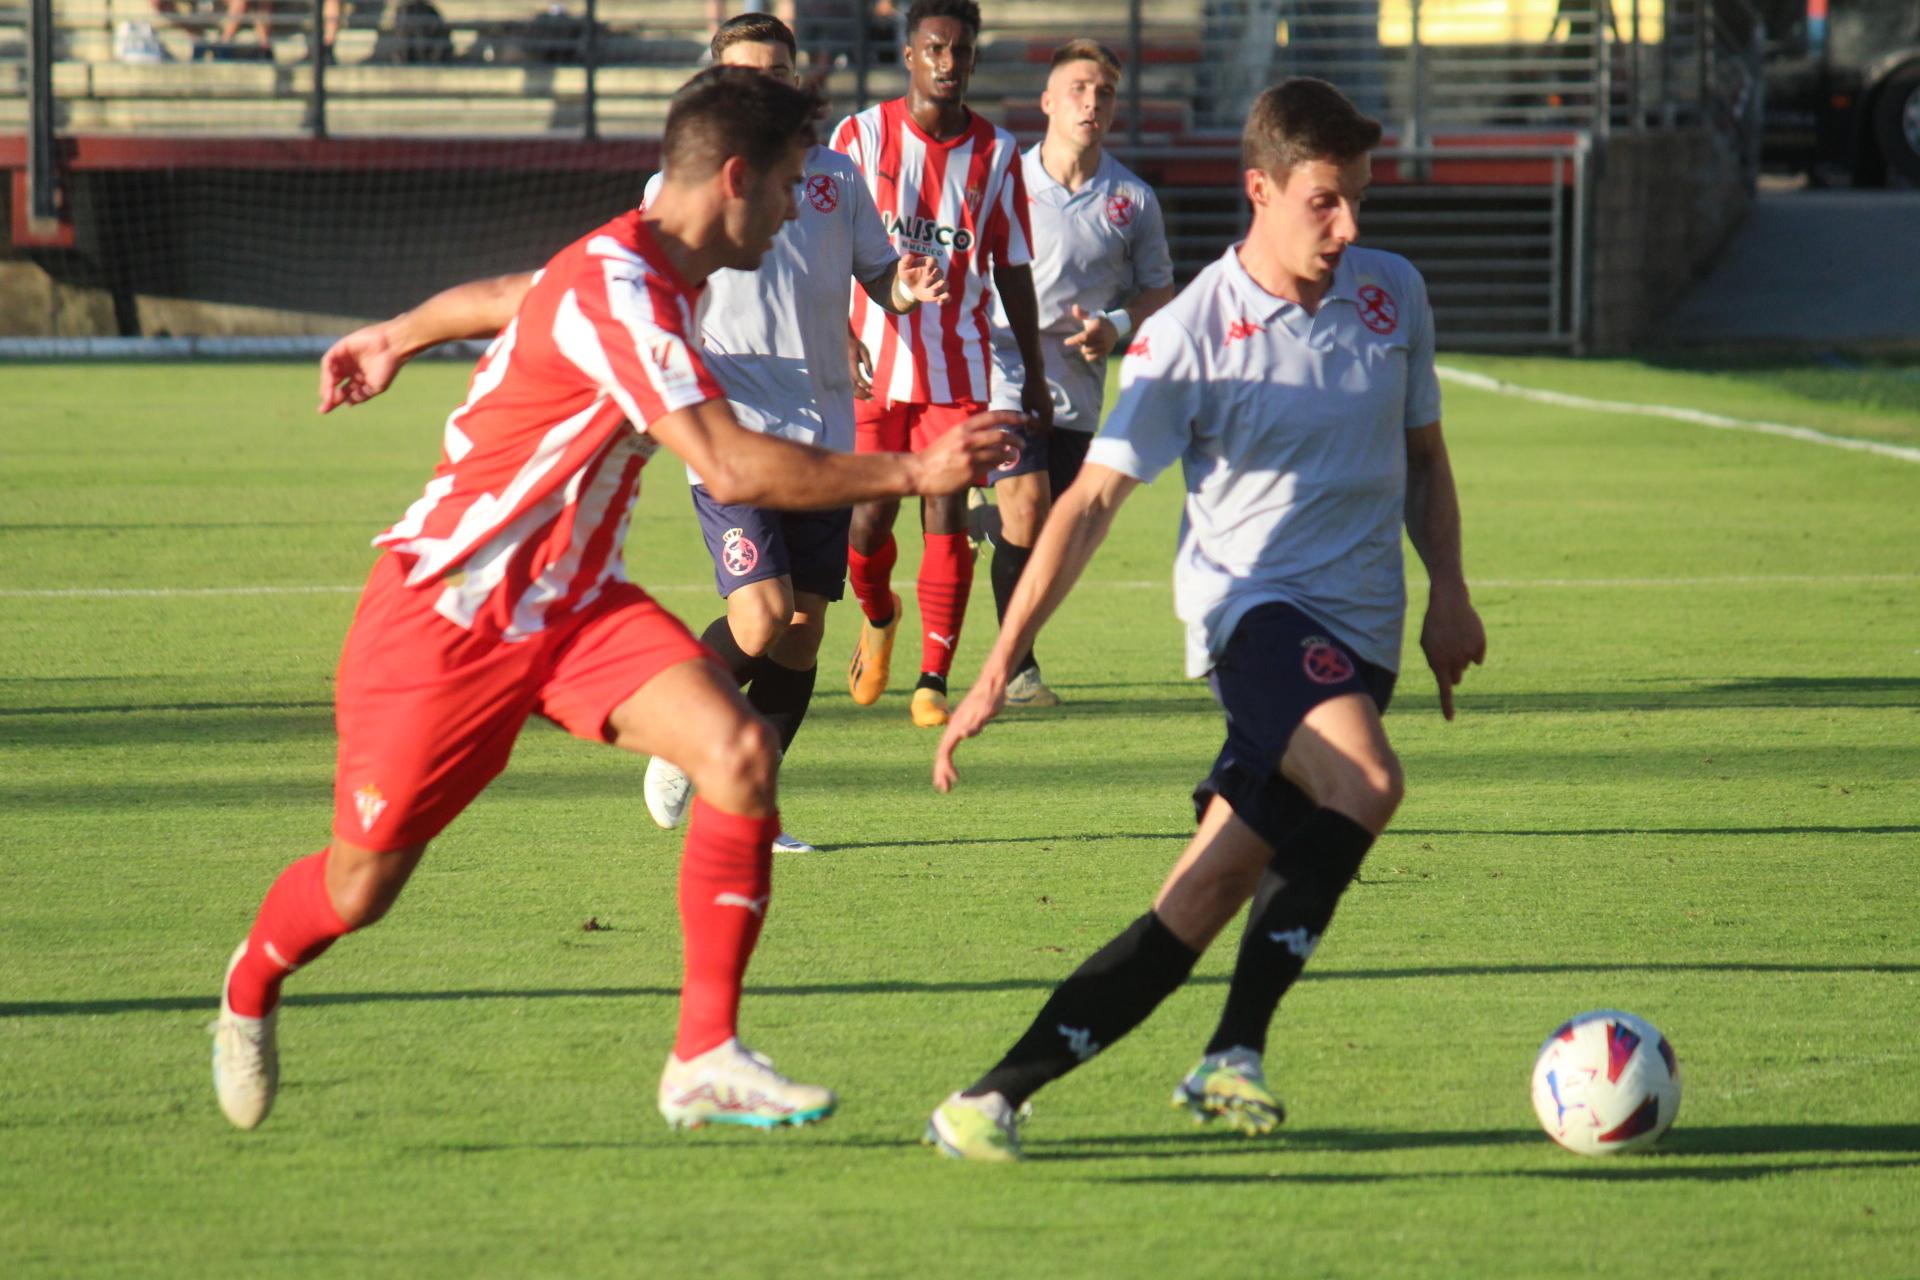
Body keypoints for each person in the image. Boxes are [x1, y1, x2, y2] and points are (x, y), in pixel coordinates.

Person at [211, 65, 1017, 1136]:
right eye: (784, 186)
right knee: (359, 889)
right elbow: (728, 465)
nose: (793, 209)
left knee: (736, 753)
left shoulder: (642, 257)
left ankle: (702, 1053)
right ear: (734, 179)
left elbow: (512, 294)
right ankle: (251, 981)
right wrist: (915, 475)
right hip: (443, 619)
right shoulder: (624, 288)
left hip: (575, 609)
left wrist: (397, 331)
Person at [921, 78, 1487, 1161]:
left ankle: (991, 1095)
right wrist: (997, 667)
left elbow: (1425, 461)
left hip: (1362, 641)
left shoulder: (1392, 294)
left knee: (1205, 890)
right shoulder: (1187, 333)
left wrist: (1450, 590)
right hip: (1256, 618)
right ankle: (1235, 1049)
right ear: (1260, 191)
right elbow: (1088, 503)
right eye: (1325, 201)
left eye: (1360, 200)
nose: (1350, 226)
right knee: (1370, 780)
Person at [318, 16, 951, 857]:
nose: (770, 94)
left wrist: (899, 293)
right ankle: (686, 746)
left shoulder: (830, 177)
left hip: (820, 432)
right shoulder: (671, 204)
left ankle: (750, 814)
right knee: (758, 619)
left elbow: (874, 276)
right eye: (750, 77)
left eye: (781, 76)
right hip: (719, 426)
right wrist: (400, 333)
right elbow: (549, 289)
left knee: (802, 633)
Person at [832, 0, 1051, 729]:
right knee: (865, 525)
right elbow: (827, 244)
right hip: (872, 367)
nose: (948, 63)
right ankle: (881, 613)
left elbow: (1012, 265)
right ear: (910, 54)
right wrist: (840, 328)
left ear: (974, 57)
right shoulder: (858, 137)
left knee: (947, 514)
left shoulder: (997, 154)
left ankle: (933, 676)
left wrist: (1038, 372)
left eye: (960, 50)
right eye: (935, 48)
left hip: (957, 371)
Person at [978, 38, 1176, 708]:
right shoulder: (1003, 182)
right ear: (1047, 102)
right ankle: (1017, 671)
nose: (1092, 102)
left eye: (1105, 92)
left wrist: (1116, 326)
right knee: (1028, 509)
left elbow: (1159, 292)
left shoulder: (1132, 200)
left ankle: (992, 539)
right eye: (1079, 89)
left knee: (1050, 531)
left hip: (1077, 385)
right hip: (1004, 367)